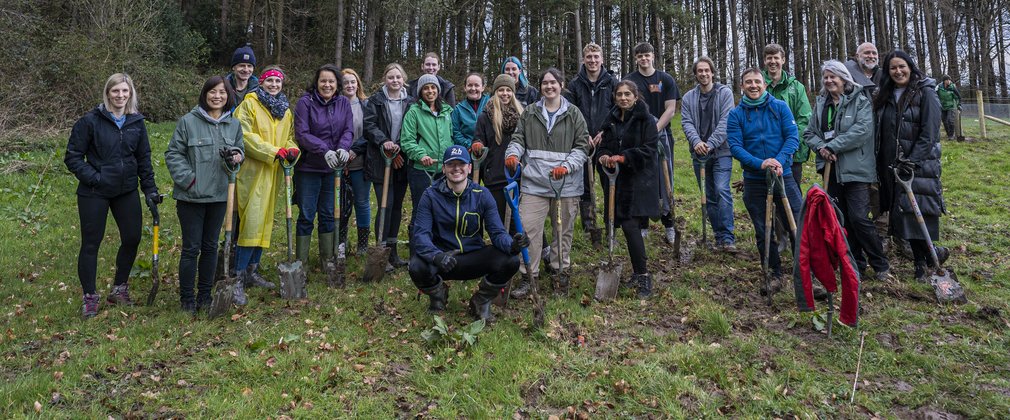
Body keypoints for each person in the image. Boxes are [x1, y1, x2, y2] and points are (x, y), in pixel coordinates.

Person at [65, 73, 160, 318]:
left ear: (131, 94)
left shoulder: (136, 123)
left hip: (125, 190)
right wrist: (95, 178)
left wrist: (149, 189)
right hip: (94, 192)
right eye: (115, 91)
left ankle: (119, 288)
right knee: (91, 243)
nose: (120, 96)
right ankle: (89, 297)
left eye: (125, 92)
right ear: (107, 93)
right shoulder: (90, 121)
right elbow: (73, 157)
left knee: (132, 238)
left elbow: (143, 159)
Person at [410, 145, 527, 321]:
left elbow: (496, 232)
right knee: (416, 266)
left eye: (461, 164)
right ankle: (438, 295)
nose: (456, 168)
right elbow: (420, 235)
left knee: (510, 261)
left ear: (469, 168)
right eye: (451, 164)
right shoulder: (430, 195)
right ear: (444, 168)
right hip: (443, 259)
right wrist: (436, 256)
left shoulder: (482, 194)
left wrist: (512, 245)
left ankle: (481, 301)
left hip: (473, 257)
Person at [504, 68, 590, 296]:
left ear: (561, 85)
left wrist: (567, 167)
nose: (549, 86)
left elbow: (582, 147)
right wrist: (512, 155)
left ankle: (560, 273)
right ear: (540, 86)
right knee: (529, 231)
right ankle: (527, 276)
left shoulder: (574, 114)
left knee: (562, 232)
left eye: (553, 82)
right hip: (534, 183)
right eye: (545, 83)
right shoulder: (530, 112)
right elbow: (518, 139)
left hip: (565, 185)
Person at [803, 60, 891, 281]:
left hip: (856, 170)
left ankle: (879, 262)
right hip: (830, 171)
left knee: (859, 218)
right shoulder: (821, 104)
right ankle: (856, 264)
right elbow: (809, 133)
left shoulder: (860, 100)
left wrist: (833, 146)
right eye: (826, 77)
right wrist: (822, 148)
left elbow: (862, 131)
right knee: (842, 220)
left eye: (834, 76)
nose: (829, 80)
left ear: (844, 78)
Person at [165, 76, 245, 314]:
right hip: (191, 197)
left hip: (220, 196)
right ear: (205, 94)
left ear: (228, 96)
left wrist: (238, 156)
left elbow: (240, 149)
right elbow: (173, 154)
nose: (217, 96)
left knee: (210, 247)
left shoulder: (233, 124)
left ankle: (205, 295)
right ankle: (187, 299)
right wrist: (189, 181)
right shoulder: (188, 122)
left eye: (222, 92)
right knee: (191, 248)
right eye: (212, 91)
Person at [727, 68, 803, 296]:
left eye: (757, 82)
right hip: (755, 180)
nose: (753, 86)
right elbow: (735, 146)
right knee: (763, 230)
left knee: (797, 226)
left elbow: (792, 136)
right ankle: (774, 273)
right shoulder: (736, 115)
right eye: (748, 82)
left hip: (784, 176)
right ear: (742, 86)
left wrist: (778, 161)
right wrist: (760, 164)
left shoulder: (779, 107)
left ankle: (806, 274)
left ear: (765, 84)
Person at [873, 50, 948, 281]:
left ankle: (921, 264)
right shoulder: (884, 95)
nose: (898, 71)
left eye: (901, 66)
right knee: (903, 213)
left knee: (919, 212)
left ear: (910, 66)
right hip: (891, 164)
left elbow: (930, 133)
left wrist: (912, 162)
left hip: (918, 164)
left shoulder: (926, 92)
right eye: (893, 68)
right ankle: (930, 254)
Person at [233, 66, 300, 304]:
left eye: (277, 81)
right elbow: (244, 135)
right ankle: (237, 277)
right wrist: (274, 151)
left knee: (265, 223)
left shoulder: (284, 110)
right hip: (252, 171)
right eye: (269, 81)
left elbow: (289, 136)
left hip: (273, 173)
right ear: (260, 83)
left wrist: (292, 149)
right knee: (251, 222)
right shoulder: (249, 104)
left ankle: (253, 270)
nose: (273, 84)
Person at [597, 81, 660, 298]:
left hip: (639, 181)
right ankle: (637, 272)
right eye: (619, 94)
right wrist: (604, 155)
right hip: (618, 182)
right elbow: (603, 144)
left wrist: (624, 157)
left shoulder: (646, 120)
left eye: (627, 94)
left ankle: (643, 276)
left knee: (631, 226)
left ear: (636, 96)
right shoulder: (612, 119)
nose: (623, 98)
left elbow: (649, 149)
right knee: (624, 225)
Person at [293, 64, 354, 268]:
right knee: (307, 214)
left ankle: (327, 258)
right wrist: (324, 150)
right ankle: (301, 261)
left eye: (331, 81)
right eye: (323, 81)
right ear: (316, 82)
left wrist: (343, 148)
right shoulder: (305, 103)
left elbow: (348, 129)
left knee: (329, 213)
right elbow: (302, 133)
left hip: (332, 169)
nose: (327, 85)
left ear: (337, 84)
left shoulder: (343, 103)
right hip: (309, 167)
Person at [623, 42, 679, 244]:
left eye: (647, 55)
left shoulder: (665, 79)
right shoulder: (629, 80)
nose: (643, 59)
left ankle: (669, 223)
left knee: (665, 180)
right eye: (639, 56)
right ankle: (643, 225)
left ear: (653, 56)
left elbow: (671, 109)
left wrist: (654, 130)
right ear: (635, 58)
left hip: (662, 136)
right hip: (637, 139)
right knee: (641, 181)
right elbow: (625, 107)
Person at [681, 56, 737, 251]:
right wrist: (697, 142)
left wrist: (710, 143)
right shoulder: (689, 97)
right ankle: (718, 235)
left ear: (712, 72)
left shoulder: (725, 93)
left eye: (707, 70)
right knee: (709, 195)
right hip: (699, 154)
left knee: (722, 190)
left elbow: (726, 121)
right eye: (700, 71)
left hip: (721, 151)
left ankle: (728, 238)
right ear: (696, 74)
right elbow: (686, 121)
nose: (703, 74)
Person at [363, 63, 415, 270]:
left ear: (403, 79)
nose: (395, 81)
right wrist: (385, 142)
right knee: (386, 203)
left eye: (398, 77)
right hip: (379, 160)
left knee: (397, 207)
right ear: (385, 79)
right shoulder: (375, 101)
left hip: (401, 160)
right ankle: (380, 250)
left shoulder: (411, 102)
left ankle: (392, 252)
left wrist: (398, 151)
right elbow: (369, 126)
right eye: (391, 77)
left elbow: (412, 128)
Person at [565, 42, 616, 248]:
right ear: (583, 60)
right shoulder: (575, 83)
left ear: (602, 59)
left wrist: (605, 131)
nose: (593, 61)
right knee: (585, 186)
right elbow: (570, 110)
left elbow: (616, 109)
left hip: (606, 141)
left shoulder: (611, 82)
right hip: (582, 141)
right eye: (589, 57)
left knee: (608, 184)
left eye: (596, 57)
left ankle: (610, 224)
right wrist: (583, 133)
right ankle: (589, 227)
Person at [400, 73, 454, 255]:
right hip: (421, 170)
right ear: (420, 91)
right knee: (421, 209)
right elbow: (406, 141)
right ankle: (418, 250)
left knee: (443, 209)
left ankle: (438, 248)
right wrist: (420, 154)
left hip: (443, 170)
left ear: (438, 90)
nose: (430, 91)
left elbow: (452, 136)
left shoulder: (447, 111)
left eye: (433, 88)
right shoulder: (414, 112)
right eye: (426, 88)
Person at [472, 74, 524, 228]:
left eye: (508, 90)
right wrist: (477, 144)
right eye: (501, 90)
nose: (505, 93)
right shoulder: (485, 116)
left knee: (521, 218)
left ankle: (536, 249)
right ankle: (505, 248)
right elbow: (478, 138)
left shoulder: (523, 115)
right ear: (495, 92)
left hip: (518, 175)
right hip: (495, 175)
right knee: (500, 219)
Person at [762, 43, 812, 186]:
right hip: (765, 152)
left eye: (776, 58)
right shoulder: (757, 86)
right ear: (765, 61)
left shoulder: (796, 88)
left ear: (783, 60)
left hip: (792, 154)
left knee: (791, 193)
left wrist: (790, 145)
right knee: (766, 195)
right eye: (769, 58)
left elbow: (805, 119)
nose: (772, 61)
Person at [340, 68, 372, 255]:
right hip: (338, 163)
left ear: (358, 84)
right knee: (342, 204)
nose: (350, 85)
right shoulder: (335, 105)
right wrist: (342, 154)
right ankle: (341, 243)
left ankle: (363, 245)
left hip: (360, 161)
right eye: (346, 83)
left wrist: (354, 150)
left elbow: (370, 132)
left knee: (362, 202)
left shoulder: (366, 105)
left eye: (353, 82)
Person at [451, 72, 490, 149]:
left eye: (476, 85)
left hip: (490, 150)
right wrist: (470, 145)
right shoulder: (458, 109)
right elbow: (455, 132)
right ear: (465, 88)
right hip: (468, 151)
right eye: (470, 85)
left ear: (483, 87)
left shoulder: (491, 103)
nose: (473, 88)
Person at [936, 75, 962, 140]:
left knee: (950, 120)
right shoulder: (939, 87)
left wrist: (959, 105)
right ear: (944, 81)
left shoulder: (952, 87)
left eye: (949, 80)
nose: (949, 81)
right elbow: (935, 96)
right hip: (942, 107)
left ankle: (951, 135)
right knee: (944, 121)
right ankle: (948, 135)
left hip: (951, 106)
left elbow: (958, 97)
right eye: (947, 80)